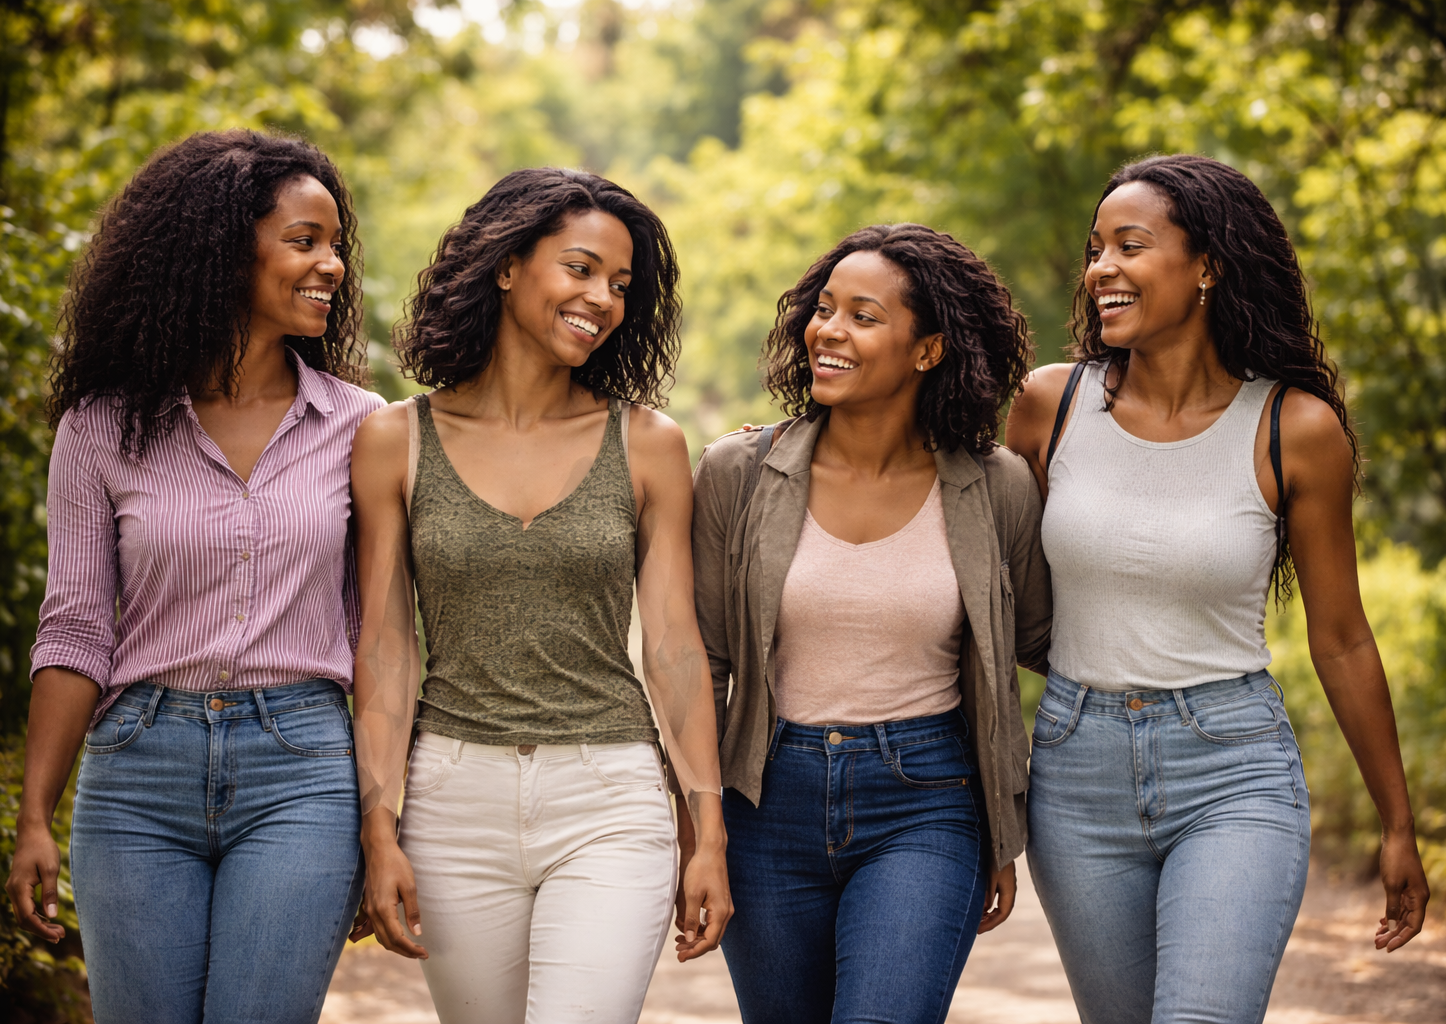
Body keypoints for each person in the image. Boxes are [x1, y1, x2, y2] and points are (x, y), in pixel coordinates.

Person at [1006, 154, 1431, 1023]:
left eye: (1130, 246)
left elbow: (1342, 636)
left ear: (1209, 266)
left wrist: (1397, 822)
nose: (1100, 271)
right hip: (1075, 772)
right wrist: (787, 446)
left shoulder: (1295, 430)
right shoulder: (1049, 406)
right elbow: (951, 521)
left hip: (1231, 768)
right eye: (1096, 251)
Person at [4, 129, 380, 1023]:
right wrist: (32, 818)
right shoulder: (102, 428)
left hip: (305, 770)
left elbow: (379, 637)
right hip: (137, 769)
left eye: (335, 245)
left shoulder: (364, 428)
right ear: (221, 248)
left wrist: (384, 822)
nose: (330, 265)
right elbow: (74, 628)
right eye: (303, 241)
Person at [348, 167, 731, 1024]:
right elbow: (382, 647)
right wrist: (381, 827)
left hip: (611, 796)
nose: (602, 298)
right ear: (507, 265)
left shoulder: (647, 443)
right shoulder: (393, 441)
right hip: (452, 799)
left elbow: (673, 647)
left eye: (621, 286)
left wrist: (706, 833)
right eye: (582, 268)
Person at [691, 223, 1052, 1023]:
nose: (829, 331)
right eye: (824, 310)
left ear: (928, 350)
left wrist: (1003, 819)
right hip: (765, 799)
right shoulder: (737, 473)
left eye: (863, 315)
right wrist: (701, 832)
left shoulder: (997, 488)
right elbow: (703, 664)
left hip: (926, 798)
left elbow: (1044, 646)